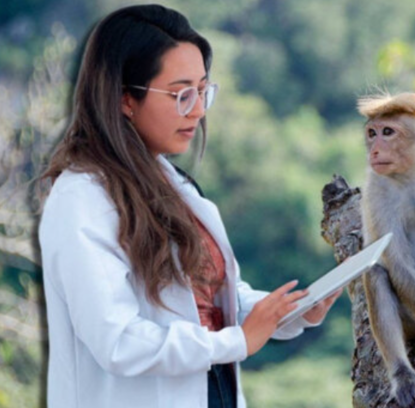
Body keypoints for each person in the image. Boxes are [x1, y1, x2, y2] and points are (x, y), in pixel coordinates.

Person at [36, 4, 341, 408]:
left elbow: (206, 303)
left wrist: (290, 311)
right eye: (181, 94)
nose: (197, 110)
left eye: (202, 91)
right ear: (126, 98)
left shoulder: (171, 184)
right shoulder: (81, 199)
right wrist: (236, 341)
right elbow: (118, 340)